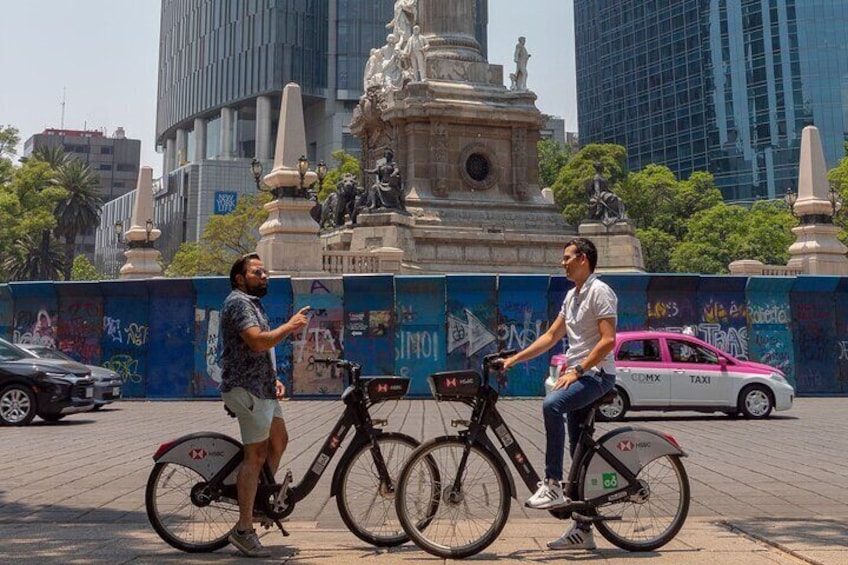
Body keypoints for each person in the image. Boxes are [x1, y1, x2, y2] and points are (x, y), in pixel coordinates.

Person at [500, 237, 617, 551]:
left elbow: (608, 341)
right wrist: (513, 359)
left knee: (552, 405)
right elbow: (551, 336)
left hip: (598, 376)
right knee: (578, 455)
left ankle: (551, 484)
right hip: (579, 375)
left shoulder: (600, 291)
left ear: (583, 258)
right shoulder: (572, 296)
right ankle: (584, 529)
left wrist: (578, 370)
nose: (562, 263)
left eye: (567, 257)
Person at [219, 253, 310, 557]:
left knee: (280, 440)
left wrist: (275, 378)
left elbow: (260, 349)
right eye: (257, 272)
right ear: (240, 279)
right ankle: (244, 529)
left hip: (264, 388)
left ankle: (257, 500)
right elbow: (257, 342)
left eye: (265, 272)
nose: (264, 276)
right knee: (255, 456)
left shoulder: (252, 304)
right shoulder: (238, 303)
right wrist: (291, 325)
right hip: (247, 389)